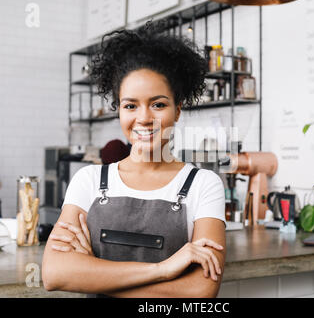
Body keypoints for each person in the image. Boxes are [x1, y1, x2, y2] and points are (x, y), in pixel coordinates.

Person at [42, 20, 226, 298]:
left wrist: (93, 273)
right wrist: (163, 269)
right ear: (119, 111)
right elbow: (55, 274)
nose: (143, 118)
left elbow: (201, 291)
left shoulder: (204, 185)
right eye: (130, 105)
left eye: (158, 104)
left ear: (178, 109)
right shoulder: (89, 181)